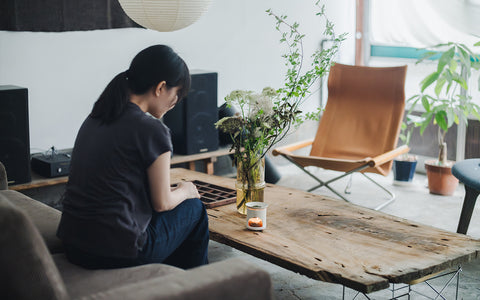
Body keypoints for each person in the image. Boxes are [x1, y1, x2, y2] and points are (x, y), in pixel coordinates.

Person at [57, 45, 209, 270]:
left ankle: (170, 281)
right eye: (177, 94)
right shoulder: (152, 130)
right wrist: (187, 190)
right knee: (195, 209)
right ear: (161, 87)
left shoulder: (95, 118)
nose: (176, 102)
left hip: (74, 244)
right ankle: (193, 287)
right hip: (117, 252)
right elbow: (162, 203)